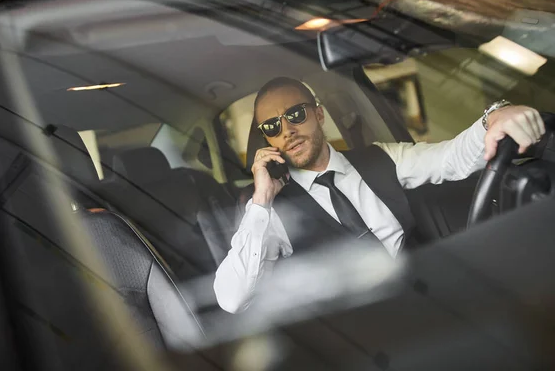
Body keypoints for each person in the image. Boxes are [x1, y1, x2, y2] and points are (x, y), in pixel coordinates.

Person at [214, 77, 546, 314]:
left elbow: (451, 159)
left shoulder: (381, 158)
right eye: (272, 127)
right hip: (364, 341)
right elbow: (233, 299)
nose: (286, 130)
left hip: (434, 305)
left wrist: (494, 117)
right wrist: (260, 201)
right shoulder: (270, 209)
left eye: (295, 115)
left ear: (318, 114)